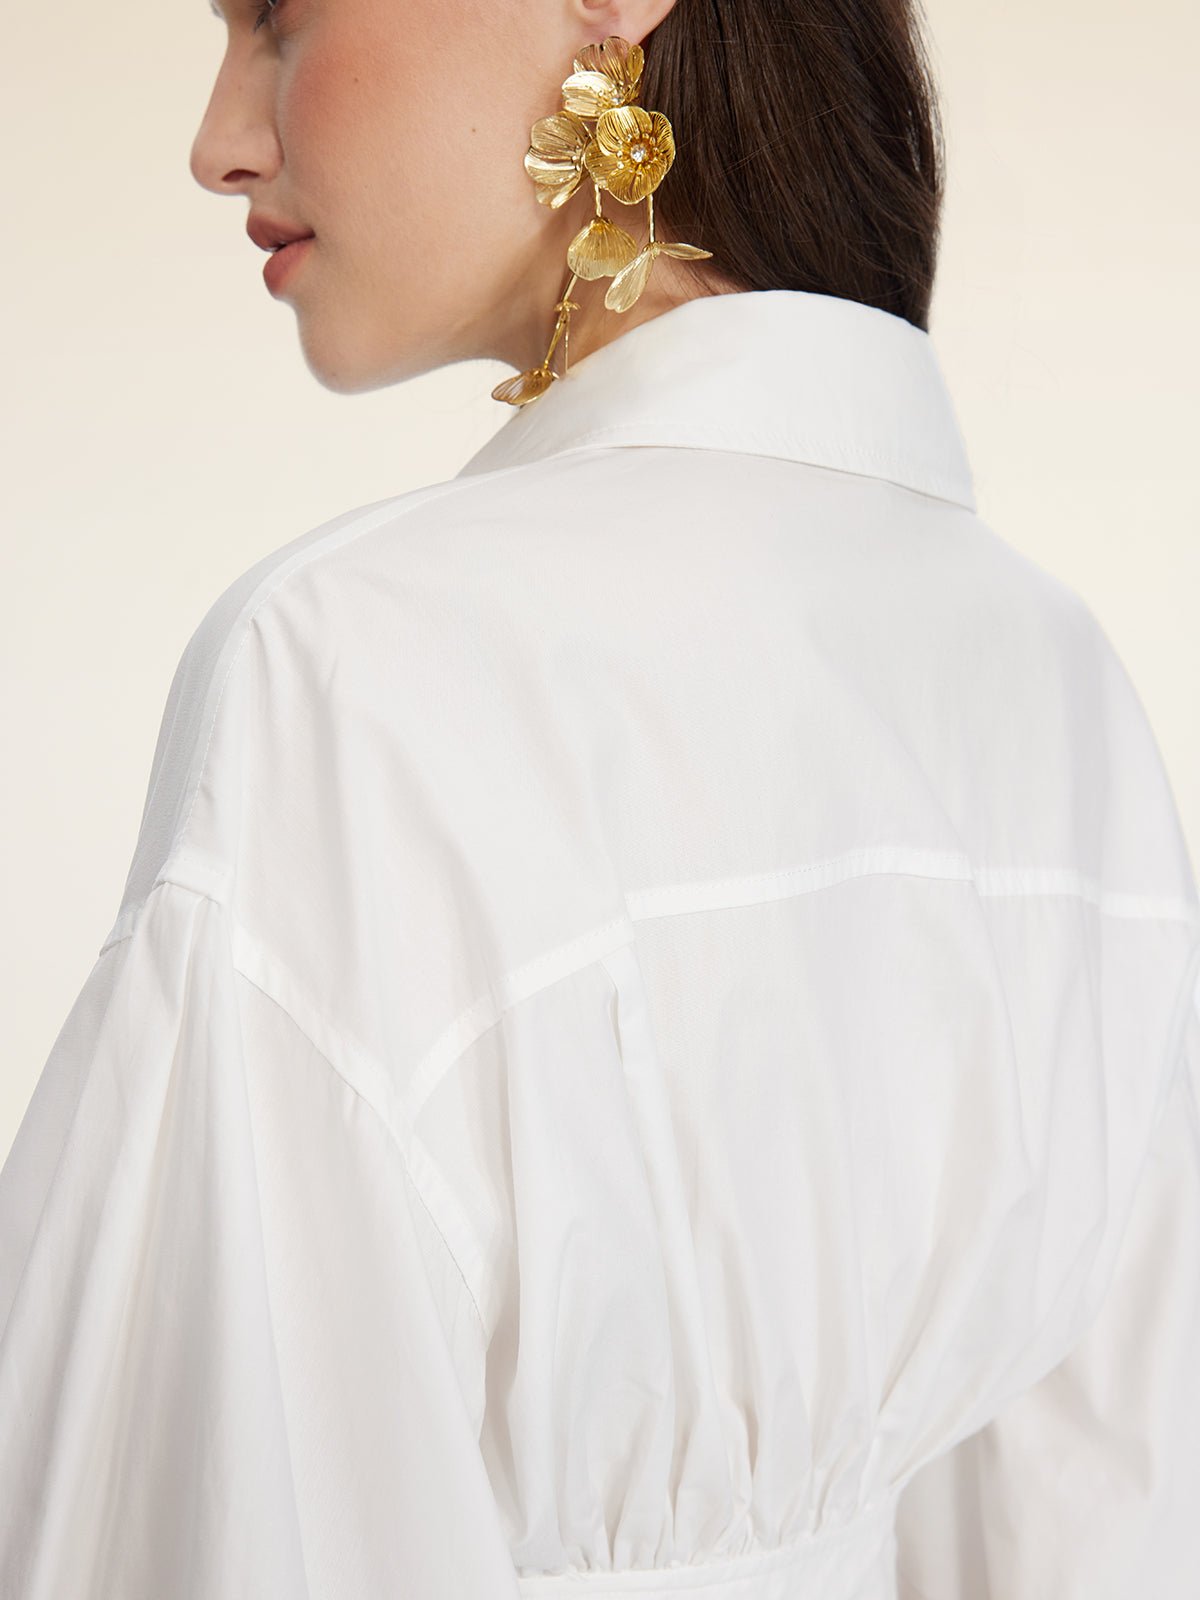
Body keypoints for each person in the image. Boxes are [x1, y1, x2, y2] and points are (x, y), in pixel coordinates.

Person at [2, 0, 1198, 1595]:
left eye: (280, 20)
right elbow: (1098, 1528)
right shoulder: (1055, 673)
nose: (219, 140)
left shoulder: (346, 667)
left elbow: (182, 1530)